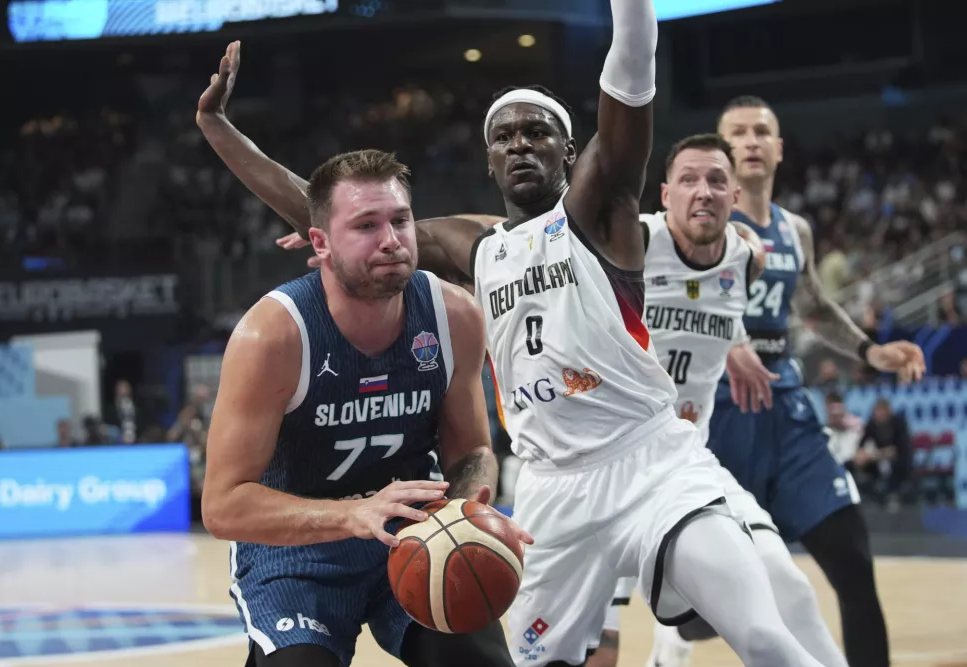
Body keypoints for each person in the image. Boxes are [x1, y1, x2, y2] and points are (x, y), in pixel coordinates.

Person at [196, 3, 831, 666]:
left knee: (762, 635)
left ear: (571, 153)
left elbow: (632, 68)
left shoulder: (600, 213)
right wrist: (219, 129)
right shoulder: (476, 245)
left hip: (648, 461)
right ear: (489, 161)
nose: (519, 144)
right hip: (550, 489)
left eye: (537, 132)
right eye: (504, 136)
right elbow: (332, 213)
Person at [200, 148, 532, 667]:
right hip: (295, 552)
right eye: (366, 225)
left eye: (400, 220)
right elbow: (223, 507)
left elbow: (472, 451)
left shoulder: (454, 315)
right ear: (320, 243)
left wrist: (469, 511)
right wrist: (355, 513)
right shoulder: (273, 336)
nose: (391, 239)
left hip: (413, 533)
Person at [672, 95, 925, 667]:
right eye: (738, 133)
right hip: (719, 412)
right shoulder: (698, 221)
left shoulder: (795, 229)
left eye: (761, 131)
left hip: (786, 410)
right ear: (721, 151)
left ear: (779, 148)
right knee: (701, 617)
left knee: (854, 561)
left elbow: (812, 305)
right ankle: (673, 639)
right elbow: (668, 298)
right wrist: (726, 339)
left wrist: (870, 349)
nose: (751, 141)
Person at [583, 134, 847, 667]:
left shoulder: (746, 258)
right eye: (688, 180)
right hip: (608, 473)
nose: (703, 191)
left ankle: (671, 648)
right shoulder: (634, 242)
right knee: (597, 651)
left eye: (716, 181)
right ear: (665, 194)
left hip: (686, 467)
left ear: (735, 196)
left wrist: (736, 344)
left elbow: (716, 305)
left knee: (791, 592)